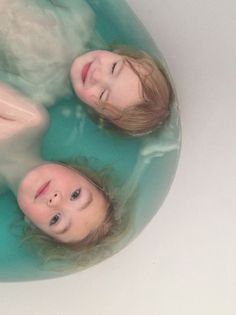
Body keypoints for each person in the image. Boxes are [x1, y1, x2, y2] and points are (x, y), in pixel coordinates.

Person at [0, 0, 171, 136]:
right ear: (122, 53)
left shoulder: (41, 91)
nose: (98, 76)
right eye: (113, 68)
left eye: (103, 94)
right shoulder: (80, 17)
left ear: (96, 114)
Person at [0, 83, 118, 250]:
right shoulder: (30, 121)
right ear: (77, 171)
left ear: (32, 223)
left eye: (55, 219)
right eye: (76, 195)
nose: (56, 200)